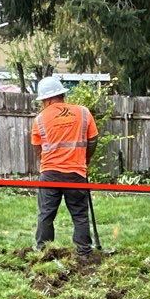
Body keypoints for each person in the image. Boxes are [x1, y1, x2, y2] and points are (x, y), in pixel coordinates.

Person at [31, 76, 99, 254]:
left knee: (46, 214)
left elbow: (37, 148)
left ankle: (44, 251)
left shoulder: (39, 119)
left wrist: (47, 163)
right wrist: (85, 159)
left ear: (46, 99)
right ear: (61, 94)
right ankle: (84, 252)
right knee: (79, 215)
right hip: (76, 173)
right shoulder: (83, 112)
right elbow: (93, 140)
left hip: (50, 174)